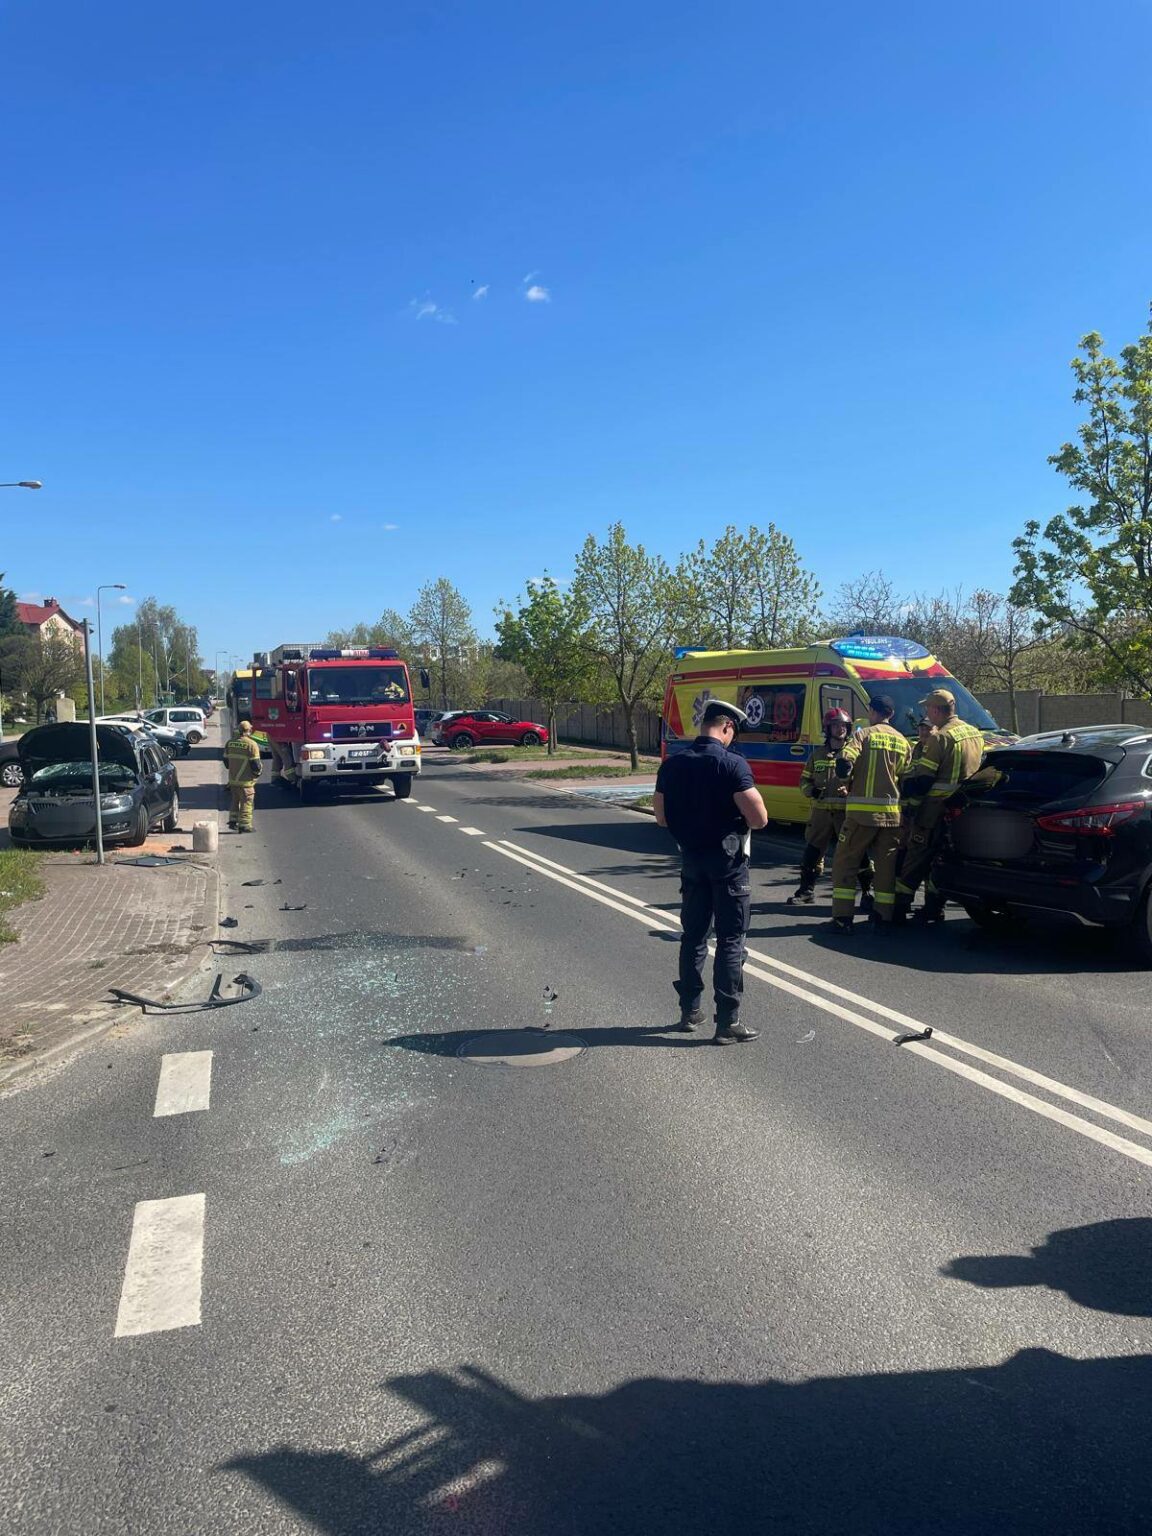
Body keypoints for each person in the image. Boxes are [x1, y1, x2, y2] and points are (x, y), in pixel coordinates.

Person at [654, 700, 768, 1044]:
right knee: (731, 940)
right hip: (728, 865)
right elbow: (759, 818)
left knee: (693, 938)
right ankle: (727, 1022)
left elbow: (660, 817)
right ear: (728, 728)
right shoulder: (732, 764)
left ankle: (689, 1011)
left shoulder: (672, 765)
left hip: (691, 861)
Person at [894, 688, 985, 923]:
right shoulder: (974, 732)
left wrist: (909, 804)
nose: (927, 713)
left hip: (935, 810)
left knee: (916, 856)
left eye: (928, 709)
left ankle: (900, 907)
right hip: (964, 810)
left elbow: (924, 780)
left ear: (936, 710)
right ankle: (934, 907)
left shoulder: (940, 737)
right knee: (942, 859)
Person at [825, 695, 911, 934]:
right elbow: (906, 778)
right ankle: (883, 917)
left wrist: (845, 775)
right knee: (885, 869)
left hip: (861, 817)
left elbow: (846, 760)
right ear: (891, 714)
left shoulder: (864, 735)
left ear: (872, 711)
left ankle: (843, 919)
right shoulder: (903, 742)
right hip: (892, 818)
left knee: (845, 864)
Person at [788, 708, 856, 905]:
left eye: (843, 725)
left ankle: (867, 892)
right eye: (835, 725)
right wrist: (811, 791)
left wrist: (850, 793)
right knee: (812, 852)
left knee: (855, 853)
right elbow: (804, 780)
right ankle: (805, 891)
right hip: (821, 813)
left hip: (846, 813)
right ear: (828, 729)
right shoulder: (818, 754)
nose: (840, 729)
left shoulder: (854, 753)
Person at [224, 718, 262, 833]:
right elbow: (255, 765)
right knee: (247, 802)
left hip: (233, 781)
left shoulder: (230, 743)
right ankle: (245, 825)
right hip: (246, 782)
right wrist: (257, 774)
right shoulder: (252, 745)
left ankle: (233, 821)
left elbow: (226, 762)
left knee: (235, 801)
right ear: (249, 730)